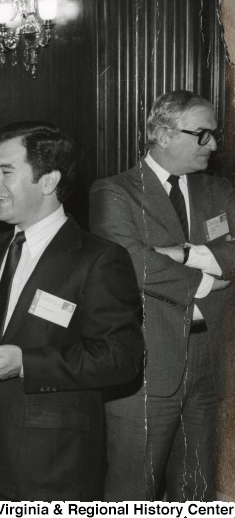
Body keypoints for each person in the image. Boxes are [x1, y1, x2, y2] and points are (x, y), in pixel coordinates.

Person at [0, 121, 144, 500]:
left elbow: (122, 358)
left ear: (48, 181)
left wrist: (25, 363)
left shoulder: (98, 259)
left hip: (55, 465)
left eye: (5, 171)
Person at [90, 90, 234, 501]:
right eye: (202, 134)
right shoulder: (115, 192)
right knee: (134, 490)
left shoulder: (219, 190)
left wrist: (188, 253)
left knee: (198, 488)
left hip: (211, 362)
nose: (214, 145)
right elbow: (134, 265)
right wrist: (206, 280)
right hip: (149, 364)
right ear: (162, 134)